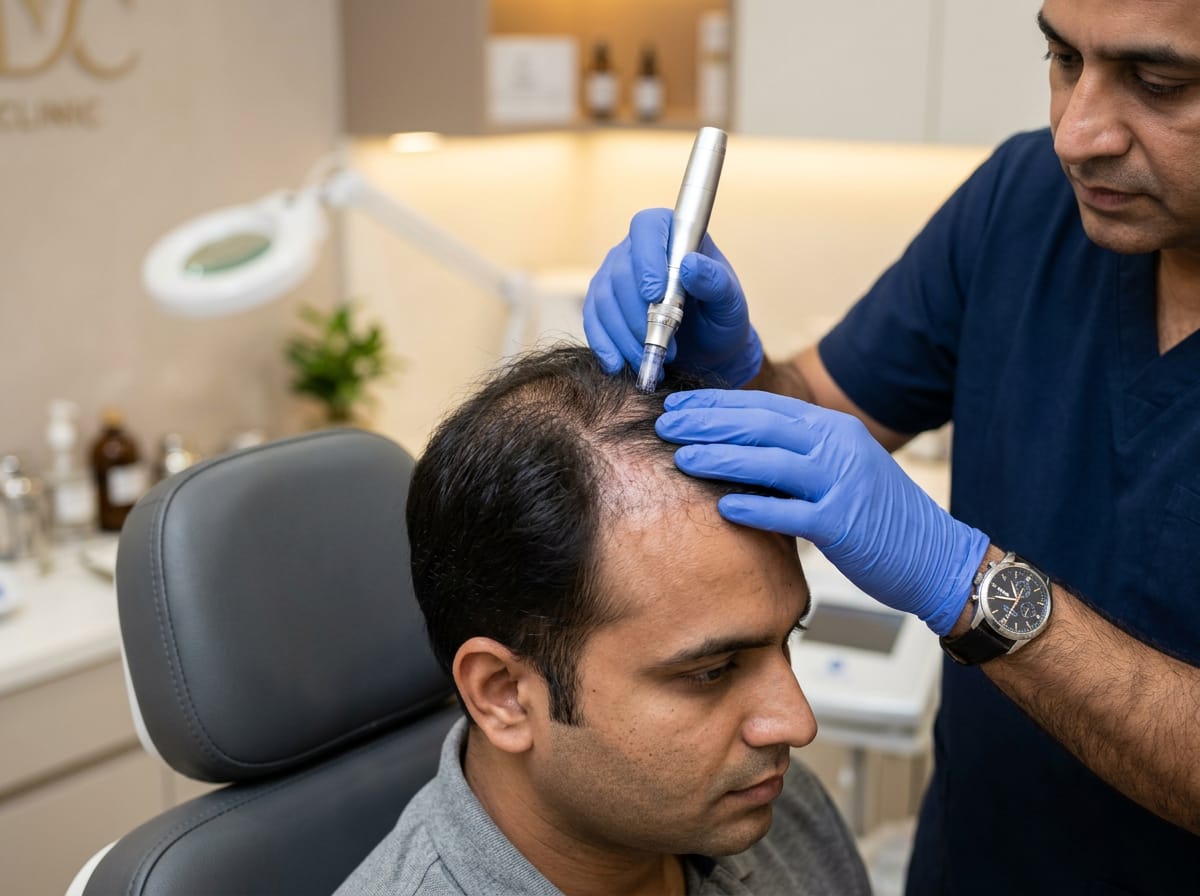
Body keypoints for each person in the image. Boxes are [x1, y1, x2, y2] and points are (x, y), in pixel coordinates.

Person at [582, 1, 1200, 893]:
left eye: (1158, 82)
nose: (1078, 132)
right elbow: (820, 408)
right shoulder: (1025, 205)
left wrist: (972, 587)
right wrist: (731, 376)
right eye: (1062, 57)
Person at [336, 346, 871, 896]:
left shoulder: (775, 810)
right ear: (505, 694)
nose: (797, 723)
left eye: (787, 641)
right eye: (711, 671)